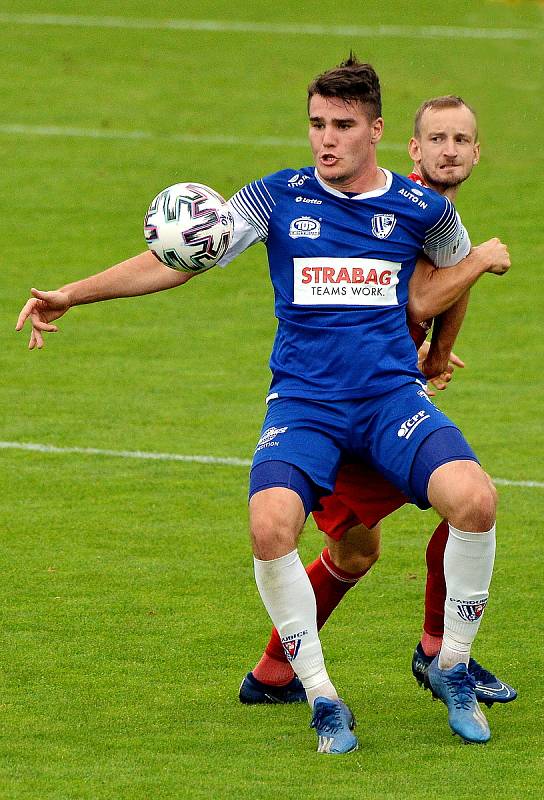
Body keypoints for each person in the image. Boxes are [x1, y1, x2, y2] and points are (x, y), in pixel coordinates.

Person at [16, 57, 511, 754]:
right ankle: (321, 696)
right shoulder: (276, 197)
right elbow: (174, 261)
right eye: (316, 124)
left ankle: (453, 665)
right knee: (270, 524)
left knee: (477, 500)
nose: (325, 139)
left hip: (389, 399)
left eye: (341, 126)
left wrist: (434, 355)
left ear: (375, 130)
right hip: (305, 404)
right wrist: (72, 291)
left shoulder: (422, 208)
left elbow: (455, 277)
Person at [239, 95, 517, 712]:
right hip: (337, 406)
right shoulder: (409, 205)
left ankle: (285, 670)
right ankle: (428, 652)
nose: (450, 150)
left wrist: (440, 351)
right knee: (363, 546)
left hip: (387, 397)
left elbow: (442, 285)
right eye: (438, 138)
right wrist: (469, 276)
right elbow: (427, 294)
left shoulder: (436, 209)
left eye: (461, 140)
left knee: (455, 506)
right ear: (411, 147)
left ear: (477, 151)